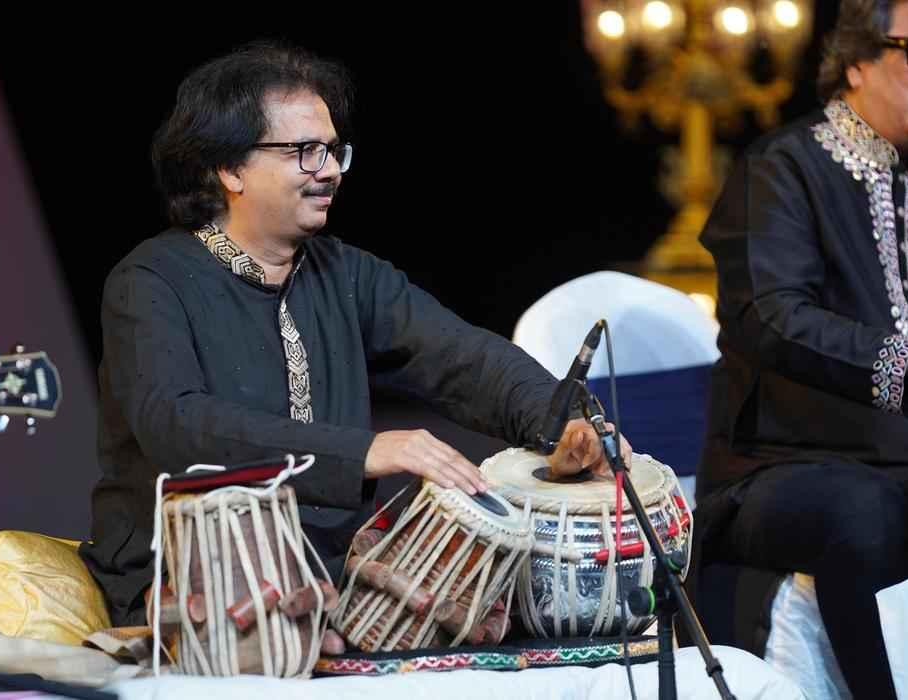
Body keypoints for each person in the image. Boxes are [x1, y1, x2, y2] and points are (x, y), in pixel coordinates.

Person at [78, 40, 628, 628]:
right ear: (230, 169)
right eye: (304, 152)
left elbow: (463, 359)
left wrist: (564, 421)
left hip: (329, 569)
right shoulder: (151, 281)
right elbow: (177, 423)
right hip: (183, 571)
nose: (330, 171)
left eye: (334, 150)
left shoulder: (347, 274)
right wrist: (363, 451)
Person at [693, 0, 908, 697]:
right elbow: (770, 317)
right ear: (855, 59)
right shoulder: (781, 169)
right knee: (865, 512)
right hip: (788, 471)